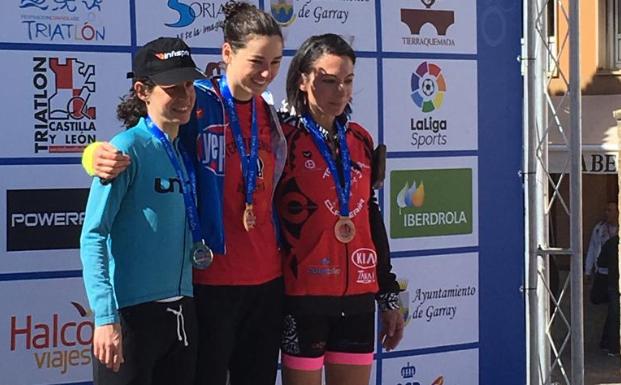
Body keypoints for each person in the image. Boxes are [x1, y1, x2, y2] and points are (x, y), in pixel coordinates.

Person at [82, 2, 287, 385]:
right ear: (227, 53)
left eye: (275, 62)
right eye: (258, 60)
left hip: (262, 283)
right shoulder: (200, 104)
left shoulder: (274, 117)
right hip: (208, 283)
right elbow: (141, 137)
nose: (266, 72)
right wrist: (93, 155)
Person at [276, 33, 404, 385]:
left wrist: (388, 295)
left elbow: (370, 217)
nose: (340, 92)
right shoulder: (283, 139)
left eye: (347, 81)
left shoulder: (360, 139)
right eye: (329, 81)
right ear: (303, 80)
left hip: (359, 299)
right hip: (304, 301)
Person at [80, 37, 205, 385]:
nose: (184, 97)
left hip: (182, 312)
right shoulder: (124, 150)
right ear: (142, 90)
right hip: (130, 317)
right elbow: (93, 234)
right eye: (171, 88)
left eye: (188, 85)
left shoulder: (187, 149)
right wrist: (105, 318)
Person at [585, 201, 619, 279]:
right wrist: (588, 270)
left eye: (609, 210)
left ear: (617, 212)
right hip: (601, 271)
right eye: (605, 210)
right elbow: (592, 248)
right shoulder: (599, 228)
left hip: (616, 272)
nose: (606, 213)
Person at [599, 235, 620, 356]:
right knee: (614, 316)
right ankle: (613, 347)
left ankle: (607, 344)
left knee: (613, 315)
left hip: (613, 282)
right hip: (614, 283)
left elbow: (601, 262)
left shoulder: (611, 242)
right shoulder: (611, 242)